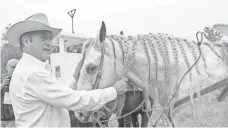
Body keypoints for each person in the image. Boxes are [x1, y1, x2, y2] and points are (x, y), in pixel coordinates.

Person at [5, 13, 129, 127]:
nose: (49, 43)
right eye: (43, 38)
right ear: (26, 41)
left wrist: (75, 76)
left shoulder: (28, 69)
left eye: (50, 38)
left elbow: (60, 93)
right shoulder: (33, 73)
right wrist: (113, 91)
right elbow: (72, 99)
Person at [1, 59, 18, 127]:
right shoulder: (1, 78)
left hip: (13, 119)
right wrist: (2, 85)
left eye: (17, 67)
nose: (14, 69)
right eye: (13, 67)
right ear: (7, 67)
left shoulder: (21, 80)